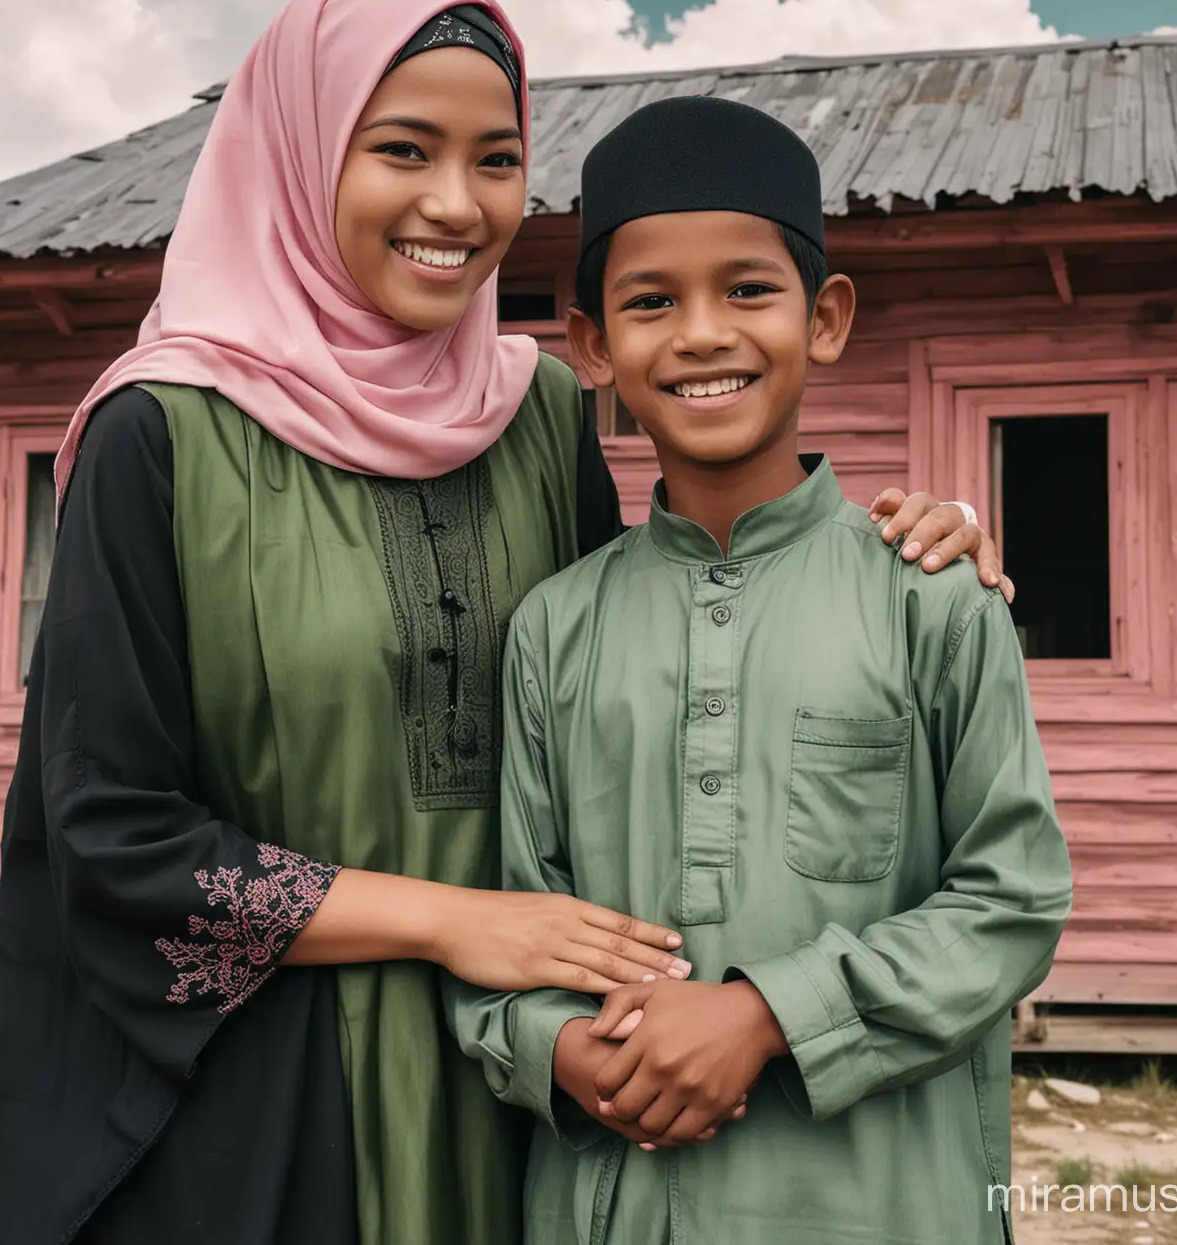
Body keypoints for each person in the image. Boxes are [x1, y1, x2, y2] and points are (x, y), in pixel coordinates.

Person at [0, 0, 1009, 1245]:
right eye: (402, 150)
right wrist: (458, 923)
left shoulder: (536, 418)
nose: (456, 206)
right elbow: (106, 830)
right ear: (300, 155)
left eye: (498, 159)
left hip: (540, 1090)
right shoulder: (162, 434)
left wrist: (911, 536)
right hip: (270, 1096)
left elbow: (662, 633)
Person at [448, 96, 1074, 1245]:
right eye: (650, 302)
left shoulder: (930, 593)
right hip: (617, 1202)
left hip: (883, 1202)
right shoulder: (554, 629)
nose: (700, 335)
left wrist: (766, 1016)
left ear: (824, 317)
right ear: (591, 348)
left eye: (747, 289)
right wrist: (559, 1047)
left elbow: (1012, 901)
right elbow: (512, 930)